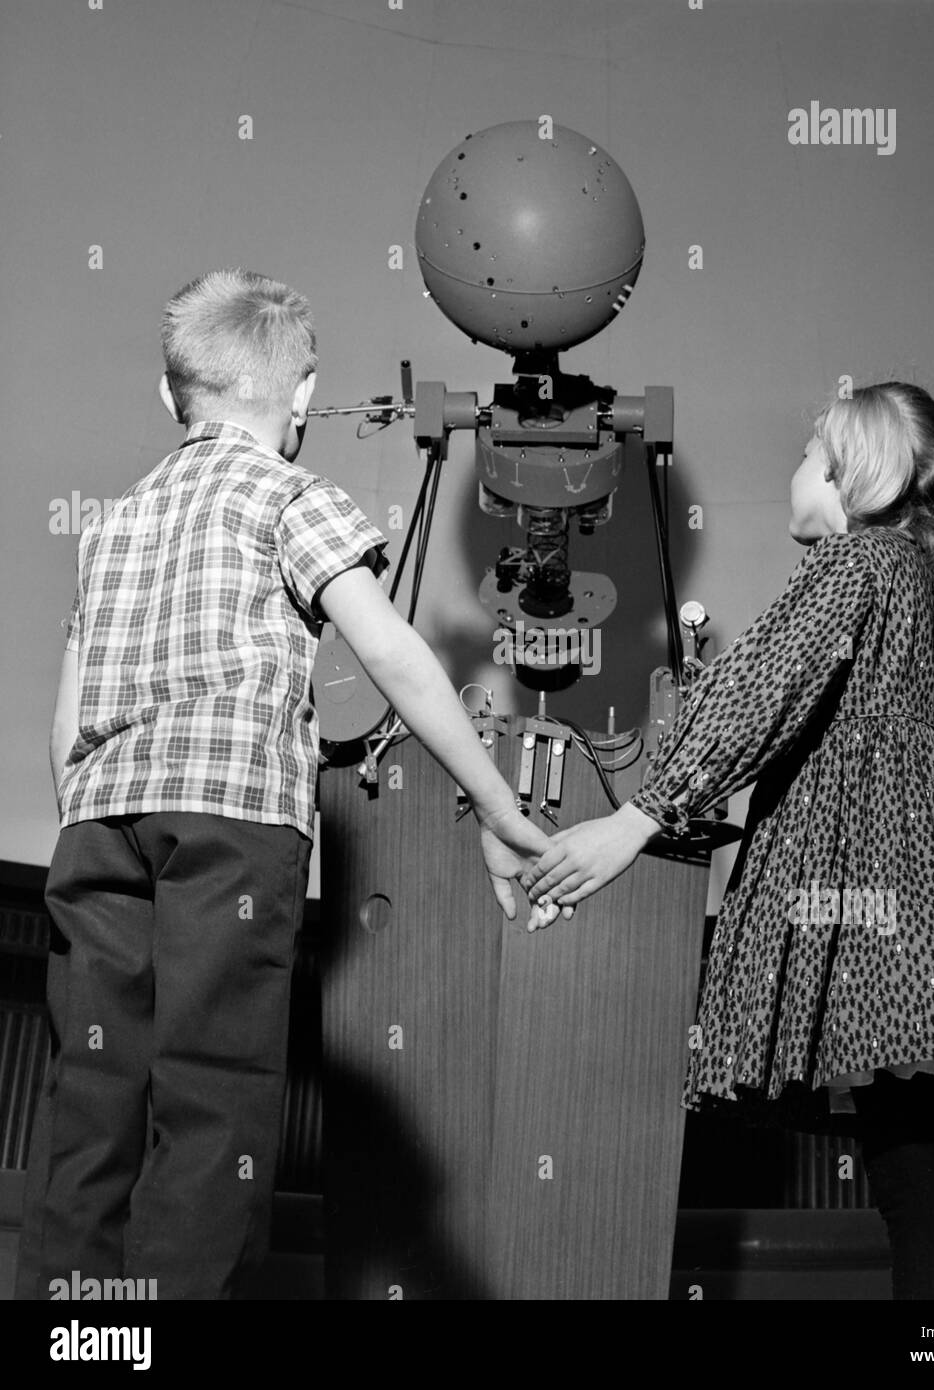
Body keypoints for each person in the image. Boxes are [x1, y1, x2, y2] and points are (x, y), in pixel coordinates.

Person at [17, 267, 566, 1301]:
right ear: (303, 396)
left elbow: (67, 709)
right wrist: (498, 807)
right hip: (230, 822)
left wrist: (87, 821)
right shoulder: (291, 494)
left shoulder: (113, 521)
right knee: (212, 1090)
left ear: (169, 395)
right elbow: (395, 654)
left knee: (91, 1089)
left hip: (98, 828)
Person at [523, 382, 934, 1299]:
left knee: (917, 1185)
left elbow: (763, 697)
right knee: (928, 1180)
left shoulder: (854, 565)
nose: (790, 468)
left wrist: (636, 818)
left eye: (805, 452)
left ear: (846, 475)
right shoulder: (914, 586)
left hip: (873, 892)